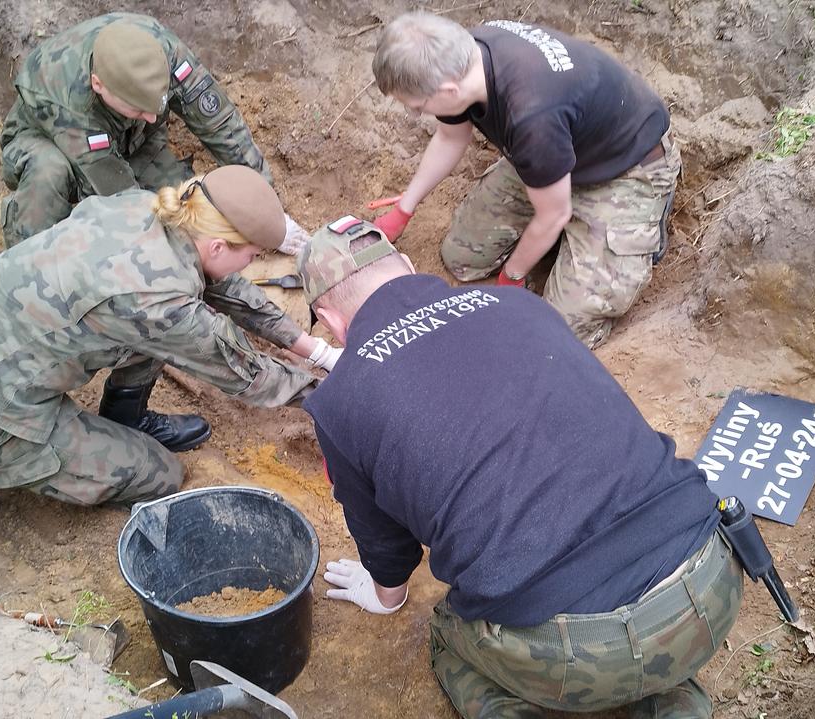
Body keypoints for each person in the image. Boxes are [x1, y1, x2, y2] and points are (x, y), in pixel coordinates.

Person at [299, 217, 742, 718]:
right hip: (711, 578)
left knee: (450, 635)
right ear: (405, 266)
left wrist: (382, 594)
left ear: (329, 319)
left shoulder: (340, 403)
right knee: (637, 654)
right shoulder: (519, 303)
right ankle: (669, 697)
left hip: (574, 651)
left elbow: (388, 550)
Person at [0, 166, 340, 506]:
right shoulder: (159, 301)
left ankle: (124, 420)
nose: (249, 265)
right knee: (160, 474)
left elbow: (225, 289)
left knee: (151, 338)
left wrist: (316, 351)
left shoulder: (156, 210)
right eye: (249, 256)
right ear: (217, 248)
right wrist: (338, 392)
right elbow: (246, 374)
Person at [369, 13, 680, 349]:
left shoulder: (532, 115)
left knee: (556, 333)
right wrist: (403, 209)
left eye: (418, 107)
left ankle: (615, 239)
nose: (418, 114)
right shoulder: (459, 57)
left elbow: (553, 214)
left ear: (448, 90)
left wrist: (512, 277)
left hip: (624, 170)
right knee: (462, 259)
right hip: (555, 155)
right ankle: (559, 235)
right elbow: (450, 137)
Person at [0, 12, 309, 254]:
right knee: (56, 176)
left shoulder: (160, 52)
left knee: (190, 210)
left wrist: (267, 206)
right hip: (43, 143)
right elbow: (120, 196)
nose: (152, 117)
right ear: (98, 85)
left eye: (156, 107)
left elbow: (220, 124)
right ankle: (26, 268)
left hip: (131, 143)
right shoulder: (65, 99)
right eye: (138, 108)